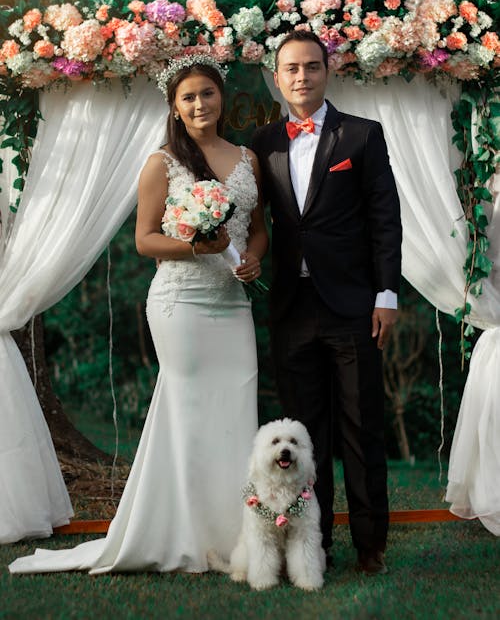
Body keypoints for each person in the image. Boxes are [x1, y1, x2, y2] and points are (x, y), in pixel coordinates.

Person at [9, 54, 268, 575]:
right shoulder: (161, 162)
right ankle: (180, 531)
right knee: (187, 411)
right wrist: (196, 248)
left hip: (231, 304)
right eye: (188, 97)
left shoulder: (247, 158)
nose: (199, 104)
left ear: (222, 97)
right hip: (181, 302)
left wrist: (256, 255)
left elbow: (258, 225)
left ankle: (236, 535)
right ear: (174, 107)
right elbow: (145, 240)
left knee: (237, 409)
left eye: (207, 94)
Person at [252, 30, 402, 575]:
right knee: (303, 438)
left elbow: (386, 218)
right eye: (290, 68)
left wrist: (386, 295)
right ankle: (315, 545)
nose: (301, 77)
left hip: (354, 306)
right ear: (276, 77)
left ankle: (370, 545)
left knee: (362, 428)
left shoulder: (362, 136)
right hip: (292, 307)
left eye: (311, 67)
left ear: (327, 70)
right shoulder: (262, 141)